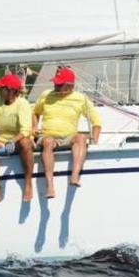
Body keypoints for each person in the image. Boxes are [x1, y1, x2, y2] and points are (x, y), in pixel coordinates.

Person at [33, 66, 101, 198]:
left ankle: (75, 176)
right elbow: (35, 113)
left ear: (70, 86)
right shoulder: (46, 95)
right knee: (47, 142)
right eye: (55, 83)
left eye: (59, 85)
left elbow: (96, 121)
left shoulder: (80, 98)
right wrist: (34, 127)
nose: (55, 86)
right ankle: (50, 186)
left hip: (69, 137)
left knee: (81, 138)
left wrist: (95, 141)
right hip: (48, 136)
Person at [0, 73, 34, 203]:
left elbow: (25, 130)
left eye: (1, 88)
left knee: (26, 143)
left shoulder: (23, 104)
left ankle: (28, 182)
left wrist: (13, 141)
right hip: (2, 139)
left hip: (19, 138)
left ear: (10, 90)